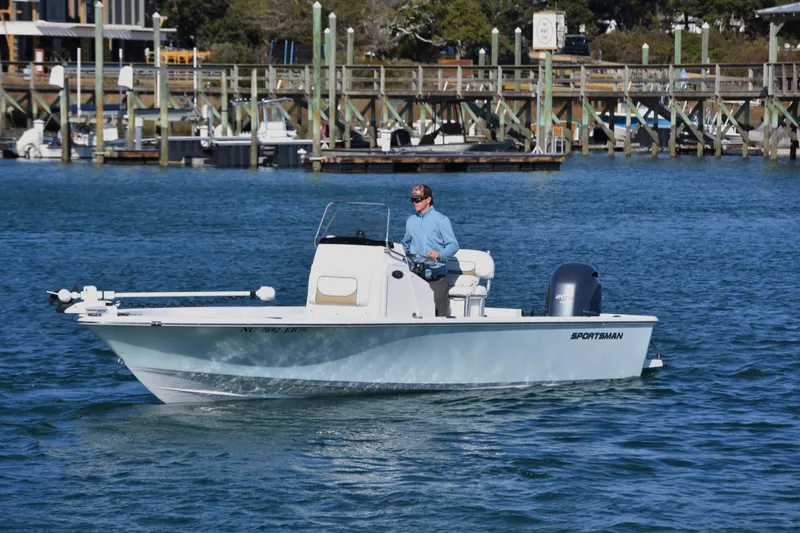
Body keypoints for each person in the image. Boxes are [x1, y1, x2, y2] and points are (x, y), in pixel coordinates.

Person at [402, 184, 459, 317]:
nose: (415, 203)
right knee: (414, 314)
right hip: (415, 277)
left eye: (418, 199)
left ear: (428, 200)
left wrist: (440, 255)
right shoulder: (410, 220)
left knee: (440, 317)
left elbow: (453, 245)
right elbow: (404, 244)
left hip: (436, 278)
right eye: (412, 200)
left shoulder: (441, 219)